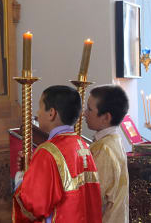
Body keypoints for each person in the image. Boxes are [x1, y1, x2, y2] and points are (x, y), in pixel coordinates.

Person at [13, 85, 102, 223]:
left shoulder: (47, 152)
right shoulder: (82, 145)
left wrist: (21, 179)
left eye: (40, 107)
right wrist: (32, 169)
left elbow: (33, 205)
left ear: (51, 113)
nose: (37, 112)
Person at [84, 85, 129, 223]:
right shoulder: (114, 139)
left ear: (106, 117)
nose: (85, 113)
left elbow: (95, 197)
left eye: (89, 109)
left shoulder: (105, 149)